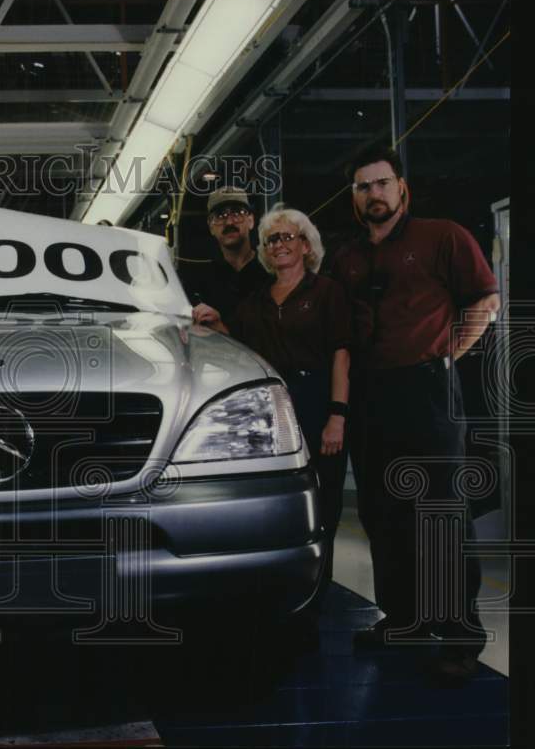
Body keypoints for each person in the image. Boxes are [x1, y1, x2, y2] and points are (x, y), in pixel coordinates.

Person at [332, 143, 500, 681]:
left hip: (426, 389)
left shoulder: (442, 236)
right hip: (369, 394)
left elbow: (484, 301)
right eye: (363, 186)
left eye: (382, 183)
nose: (373, 194)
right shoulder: (347, 257)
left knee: (441, 513)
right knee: (384, 513)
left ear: (401, 187)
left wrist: (447, 354)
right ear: (354, 197)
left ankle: (459, 638)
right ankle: (403, 619)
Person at [192, 204, 351, 647]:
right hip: (276, 407)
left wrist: (338, 414)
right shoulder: (257, 301)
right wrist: (211, 323)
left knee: (325, 507)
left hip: (319, 401)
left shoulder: (327, 292)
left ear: (305, 244)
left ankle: (316, 601)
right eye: (271, 240)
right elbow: (238, 341)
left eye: (287, 237)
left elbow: (341, 353)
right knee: (286, 507)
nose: (279, 245)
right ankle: (285, 602)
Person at [178, 186, 271, 330]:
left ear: (251, 220)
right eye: (220, 216)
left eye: (237, 213)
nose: (229, 222)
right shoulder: (201, 282)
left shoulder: (271, 271)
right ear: (211, 227)